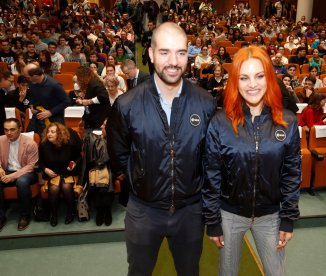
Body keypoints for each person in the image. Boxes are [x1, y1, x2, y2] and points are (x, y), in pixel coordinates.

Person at [106, 22, 215, 276]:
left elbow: (210, 157)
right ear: (151, 54)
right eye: (164, 52)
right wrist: (140, 179)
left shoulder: (206, 102)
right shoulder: (127, 104)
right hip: (144, 211)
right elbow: (119, 155)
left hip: (190, 212)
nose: (173, 61)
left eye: (180, 52)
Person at [203, 46, 301, 276]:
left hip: (271, 216)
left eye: (259, 76)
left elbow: (291, 173)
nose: (252, 84)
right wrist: (213, 221)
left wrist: (288, 218)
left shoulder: (287, 121)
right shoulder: (219, 122)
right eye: (244, 78)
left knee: (276, 273)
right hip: (229, 215)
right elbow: (212, 174)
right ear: (235, 82)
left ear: (268, 78)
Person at [38, 123, 82, 227]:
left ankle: (71, 211)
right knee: (54, 189)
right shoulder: (43, 145)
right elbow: (40, 162)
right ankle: (54, 214)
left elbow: (78, 157)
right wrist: (45, 169)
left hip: (68, 172)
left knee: (66, 188)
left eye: (52, 132)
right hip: (52, 174)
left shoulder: (69, 144)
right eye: (48, 132)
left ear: (60, 133)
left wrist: (74, 164)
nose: (49, 134)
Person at [0, 118, 38, 231]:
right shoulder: (0, 140)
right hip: (7, 170)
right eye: (6, 130)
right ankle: (1, 217)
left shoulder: (30, 143)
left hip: (26, 171)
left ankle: (25, 215)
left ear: (20, 129)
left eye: (12, 129)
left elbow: (31, 166)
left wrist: (12, 176)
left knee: (22, 182)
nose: (8, 133)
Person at [24, 63, 70, 135]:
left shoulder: (54, 85)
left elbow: (66, 101)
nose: (27, 79)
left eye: (28, 77)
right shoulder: (32, 82)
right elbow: (32, 97)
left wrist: (50, 112)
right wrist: (31, 106)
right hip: (38, 116)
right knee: (29, 136)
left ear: (35, 76)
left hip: (54, 117)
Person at [74, 66, 110, 131]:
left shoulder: (94, 83)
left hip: (98, 119)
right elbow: (87, 107)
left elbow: (104, 96)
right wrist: (83, 119)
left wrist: (89, 101)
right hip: (92, 119)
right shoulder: (90, 83)